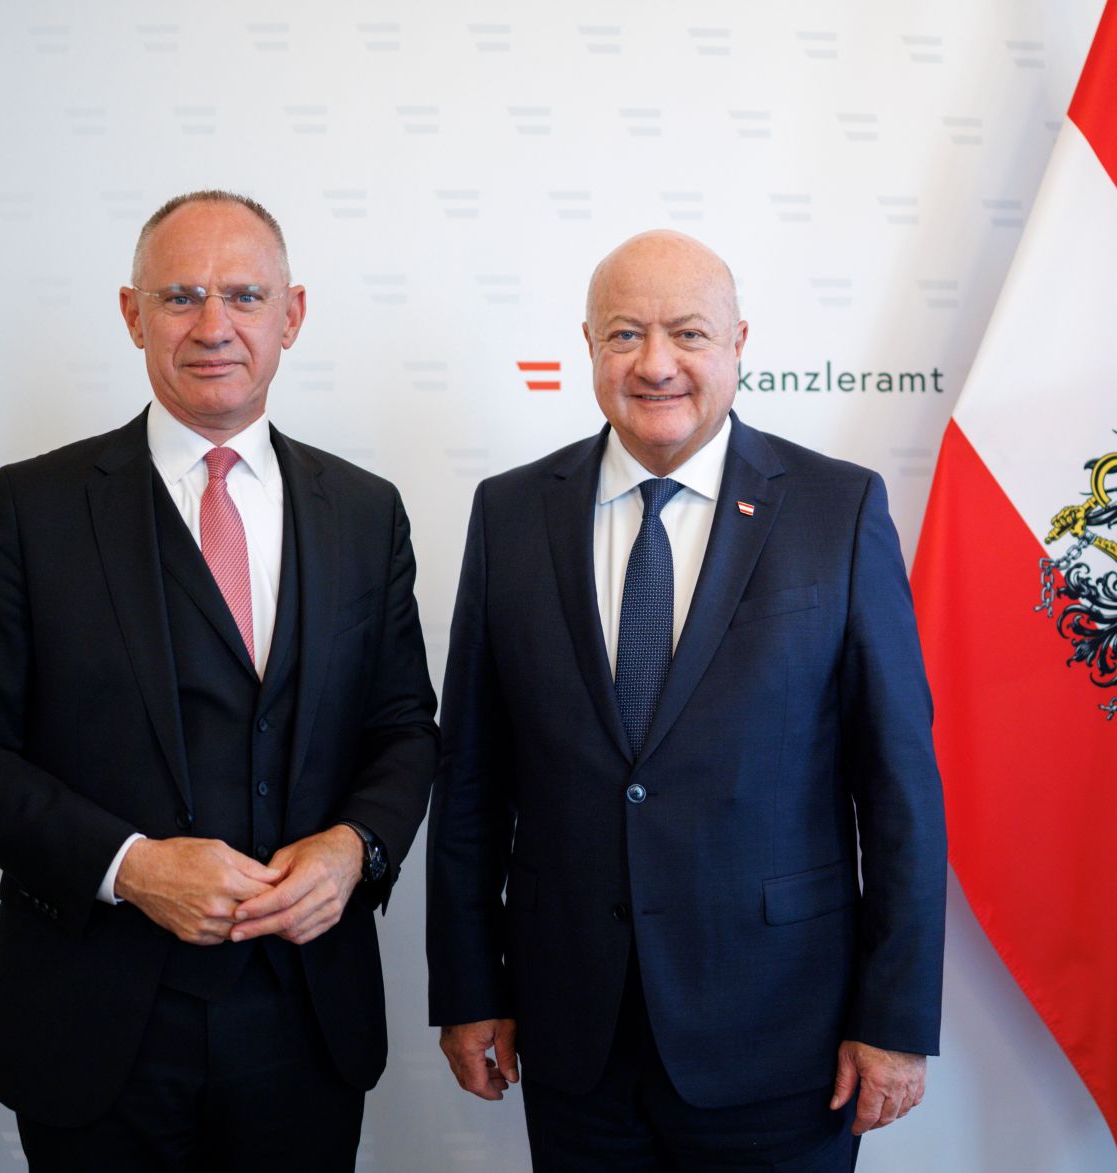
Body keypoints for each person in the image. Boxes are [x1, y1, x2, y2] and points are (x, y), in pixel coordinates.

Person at [0, 190, 438, 1170]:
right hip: (94, 1021)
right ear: (132, 314)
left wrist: (352, 848)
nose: (212, 327)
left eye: (243, 296)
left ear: (293, 314)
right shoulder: (31, 508)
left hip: (305, 1021)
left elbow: (405, 727)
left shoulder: (365, 512)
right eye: (181, 295)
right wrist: (131, 867)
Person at [427, 229, 947, 1169]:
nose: (656, 363)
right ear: (586, 346)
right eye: (625, 334)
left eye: (688, 334)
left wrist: (897, 1019)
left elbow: (899, 783)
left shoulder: (838, 509)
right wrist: (467, 987)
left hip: (785, 1037)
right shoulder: (509, 515)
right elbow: (470, 778)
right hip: (574, 1034)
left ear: (739, 343)